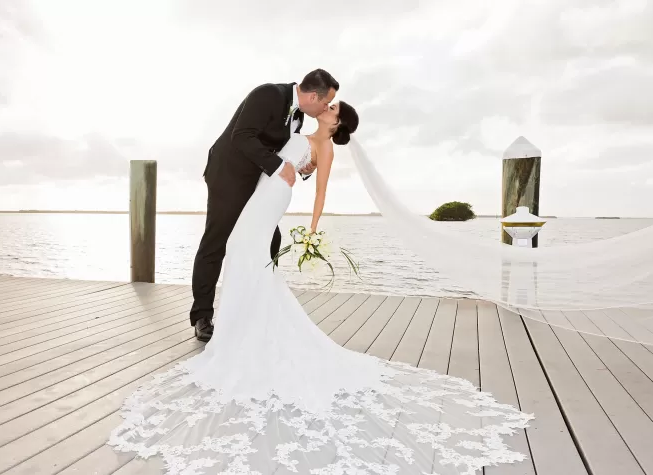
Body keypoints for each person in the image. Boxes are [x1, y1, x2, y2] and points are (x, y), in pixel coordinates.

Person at [108, 90, 533, 474]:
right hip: (262, 189)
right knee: (241, 253)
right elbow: (284, 156)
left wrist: (311, 229)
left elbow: (319, 188)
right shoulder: (299, 126)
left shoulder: (323, 144)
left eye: (332, 107)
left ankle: (240, 326)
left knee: (244, 254)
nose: (327, 107)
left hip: (272, 195)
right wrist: (299, 165)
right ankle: (234, 324)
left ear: (336, 121)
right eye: (327, 101)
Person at [188, 68, 338, 342]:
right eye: (326, 101)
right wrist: (280, 166)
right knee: (217, 241)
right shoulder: (268, 94)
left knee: (272, 238)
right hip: (229, 176)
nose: (327, 107)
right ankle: (201, 316)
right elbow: (242, 136)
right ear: (313, 96)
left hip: (258, 181)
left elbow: (282, 150)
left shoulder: (299, 116)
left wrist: (304, 166)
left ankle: (255, 305)